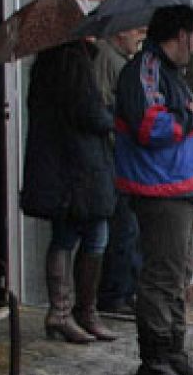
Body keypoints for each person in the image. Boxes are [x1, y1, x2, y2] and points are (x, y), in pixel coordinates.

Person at [114, 5, 193, 375]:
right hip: (160, 190)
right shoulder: (144, 70)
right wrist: (192, 118)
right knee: (161, 277)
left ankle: (174, 353)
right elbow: (148, 125)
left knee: (178, 274)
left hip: (182, 189)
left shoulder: (170, 74)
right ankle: (154, 361)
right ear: (181, 35)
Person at [19, 40, 119, 344]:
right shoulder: (71, 62)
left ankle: (72, 312)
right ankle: (69, 313)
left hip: (70, 169)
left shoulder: (49, 64)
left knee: (76, 235)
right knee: (82, 236)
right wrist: (110, 115)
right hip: (78, 170)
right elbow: (90, 114)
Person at [93, 26, 146, 314]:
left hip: (123, 157)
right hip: (115, 159)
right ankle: (115, 294)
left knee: (130, 229)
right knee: (122, 230)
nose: (140, 35)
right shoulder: (107, 59)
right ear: (119, 32)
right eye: (136, 29)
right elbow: (105, 109)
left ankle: (124, 292)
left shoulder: (120, 60)